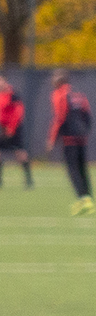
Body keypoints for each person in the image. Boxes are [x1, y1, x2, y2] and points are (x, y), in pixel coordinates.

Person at [50, 71, 93, 215]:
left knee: (72, 169)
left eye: (54, 77)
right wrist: (85, 132)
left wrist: (52, 139)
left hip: (69, 138)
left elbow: (60, 118)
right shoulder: (79, 95)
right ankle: (89, 199)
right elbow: (87, 115)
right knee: (82, 168)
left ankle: (82, 199)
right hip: (81, 137)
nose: (52, 80)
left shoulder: (59, 94)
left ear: (59, 80)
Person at [0, 75, 32, 188]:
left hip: (13, 128)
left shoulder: (13, 94)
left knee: (19, 153)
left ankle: (29, 180)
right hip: (3, 129)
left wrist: (12, 128)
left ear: (4, 81)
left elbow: (19, 112)